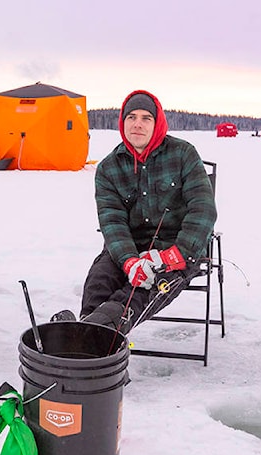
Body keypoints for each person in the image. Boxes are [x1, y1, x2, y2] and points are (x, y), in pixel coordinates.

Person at [55, 89, 217, 333]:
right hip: (128, 246)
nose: (137, 124)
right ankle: (87, 335)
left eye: (145, 118)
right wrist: (130, 261)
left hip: (177, 249)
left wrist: (171, 256)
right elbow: (112, 222)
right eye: (131, 117)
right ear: (123, 122)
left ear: (157, 122)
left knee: (139, 292)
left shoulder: (183, 154)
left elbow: (203, 210)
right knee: (99, 281)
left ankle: (92, 335)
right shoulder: (109, 167)